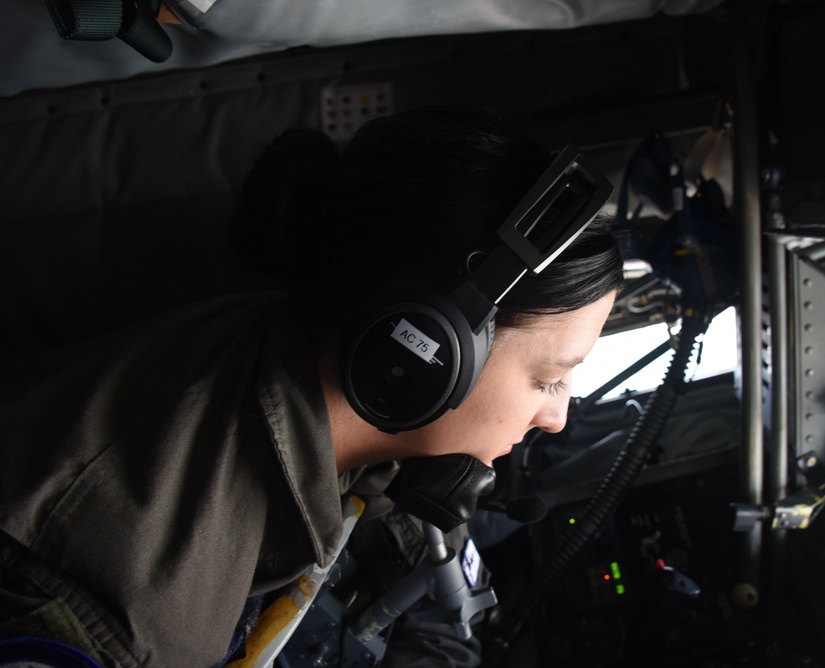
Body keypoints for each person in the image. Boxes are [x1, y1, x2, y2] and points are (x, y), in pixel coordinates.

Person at [0, 105, 624, 667]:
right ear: (428, 345)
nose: (557, 417)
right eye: (549, 379)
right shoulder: (129, 617)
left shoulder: (287, 349)